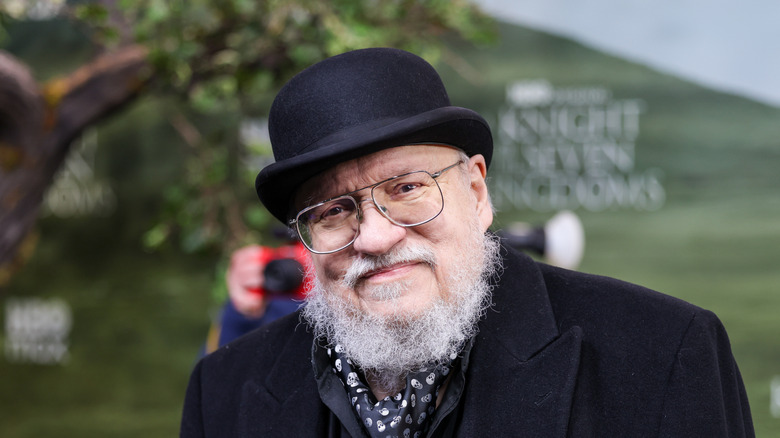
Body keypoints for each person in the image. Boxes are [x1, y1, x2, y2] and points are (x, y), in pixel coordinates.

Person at [180, 48, 753, 437]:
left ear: (476, 192)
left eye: (406, 188)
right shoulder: (223, 392)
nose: (376, 237)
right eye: (333, 211)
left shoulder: (664, 353)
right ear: (306, 238)